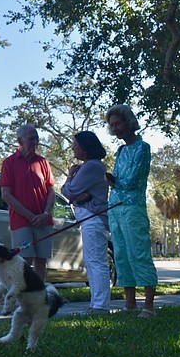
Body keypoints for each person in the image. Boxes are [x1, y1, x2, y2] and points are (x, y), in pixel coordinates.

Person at [105, 104, 157, 317]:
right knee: (122, 255)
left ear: (129, 122)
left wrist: (110, 179)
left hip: (133, 208)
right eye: (111, 125)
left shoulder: (142, 147)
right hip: (115, 208)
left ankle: (149, 306)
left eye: (118, 123)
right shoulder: (121, 150)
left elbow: (133, 180)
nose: (115, 128)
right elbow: (118, 181)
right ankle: (129, 304)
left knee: (139, 253)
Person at [61, 131, 111, 314]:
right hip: (89, 219)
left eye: (75, 144)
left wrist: (69, 178)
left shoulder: (91, 166)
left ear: (85, 148)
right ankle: (96, 303)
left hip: (93, 219)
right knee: (91, 261)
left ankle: (100, 306)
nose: (73, 147)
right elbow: (73, 195)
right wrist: (76, 196)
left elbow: (68, 191)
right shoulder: (89, 167)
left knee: (96, 261)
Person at [0, 124, 55, 280]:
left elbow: (51, 191)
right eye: (31, 138)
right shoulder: (9, 163)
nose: (35, 141)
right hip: (21, 221)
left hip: (43, 220)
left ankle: (39, 297)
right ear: (19, 140)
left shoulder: (43, 162)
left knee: (41, 260)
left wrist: (45, 213)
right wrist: (30, 216)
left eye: (36, 138)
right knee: (24, 260)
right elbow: (6, 195)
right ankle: (21, 298)